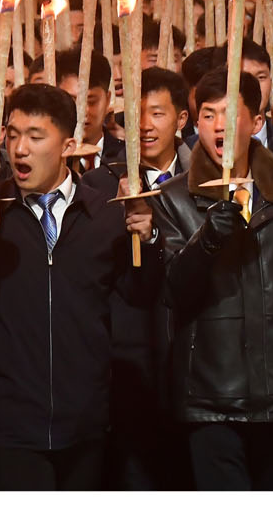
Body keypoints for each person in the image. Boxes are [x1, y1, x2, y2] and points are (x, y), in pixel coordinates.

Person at [0, 83, 161, 490]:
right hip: (8, 424)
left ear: (68, 145)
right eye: (12, 135)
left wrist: (148, 241)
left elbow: (142, 294)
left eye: (35, 136)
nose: (19, 149)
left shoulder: (104, 213)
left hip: (85, 422)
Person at [149, 68, 273, 490]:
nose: (218, 126)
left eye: (230, 114)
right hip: (211, 395)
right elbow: (174, 290)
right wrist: (208, 240)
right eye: (208, 115)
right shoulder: (176, 198)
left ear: (257, 123)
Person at [80, 67, 190, 490]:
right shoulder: (99, 185)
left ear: (181, 120)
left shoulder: (204, 180)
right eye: (137, 114)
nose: (145, 125)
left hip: (190, 360)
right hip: (126, 361)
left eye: (158, 113)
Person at [53, 47, 122, 172]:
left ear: (107, 100)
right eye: (72, 101)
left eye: (91, 101)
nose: (82, 111)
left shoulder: (125, 159)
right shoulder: (48, 160)